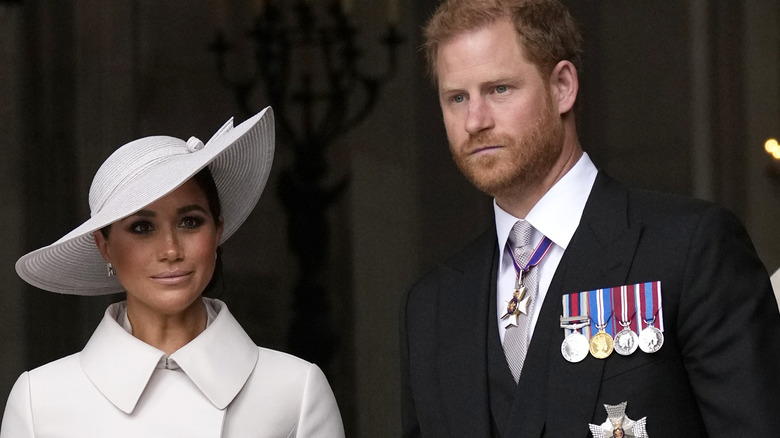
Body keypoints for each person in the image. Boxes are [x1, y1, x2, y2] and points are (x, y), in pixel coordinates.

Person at [399, 0, 780, 437]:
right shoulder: (430, 308)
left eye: (500, 89)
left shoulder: (690, 250)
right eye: (457, 97)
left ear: (562, 86)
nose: (474, 121)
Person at [1, 108, 345, 437]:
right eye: (141, 228)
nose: (170, 250)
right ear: (104, 246)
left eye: (190, 222)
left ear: (218, 231)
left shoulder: (296, 391)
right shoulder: (40, 401)